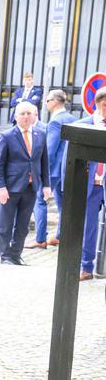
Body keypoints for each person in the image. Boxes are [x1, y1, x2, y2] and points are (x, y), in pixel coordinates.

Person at [0, 101, 52, 265]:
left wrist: (46, 185)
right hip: (11, 188)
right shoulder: (7, 136)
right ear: (16, 116)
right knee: (5, 225)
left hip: (31, 187)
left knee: (23, 225)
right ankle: (5, 256)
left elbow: (44, 161)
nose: (26, 117)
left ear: (34, 116)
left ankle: (16, 255)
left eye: (29, 113)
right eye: (22, 114)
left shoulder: (41, 134)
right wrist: (1, 187)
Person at [28, 90, 77, 249]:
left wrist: (41, 171)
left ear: (55, 101)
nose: (46, 103)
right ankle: (59, 236)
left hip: (53, 171)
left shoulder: (55, 122)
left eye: (47, 100)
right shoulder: (72, 118)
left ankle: (40, 239)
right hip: (67, 170)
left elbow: (49, 150)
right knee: (63, 203)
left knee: (40, 200)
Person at [76, 87, 106, 281]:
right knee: (89, 227)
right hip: (91, 185)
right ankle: (86, 268)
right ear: (103, 105)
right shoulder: (82, 126)